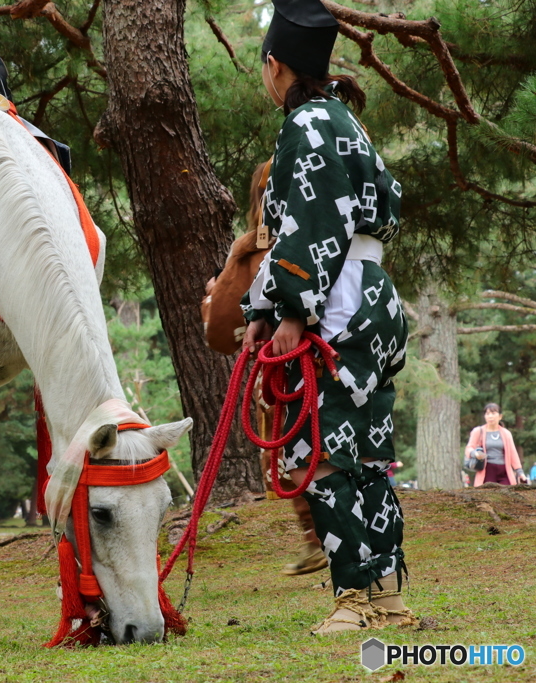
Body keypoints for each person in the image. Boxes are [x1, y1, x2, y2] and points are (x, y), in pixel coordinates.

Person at [241, 0, 413, 634]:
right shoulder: (342, 119)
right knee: (367, 454)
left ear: (274, 65)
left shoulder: (307, 124)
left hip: (337, 303)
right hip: (372, 296)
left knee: (323, 455)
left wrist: (288, 311)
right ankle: (389, 596)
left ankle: (354, 601)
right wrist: (264, 304)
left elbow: (312, 228)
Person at [202, 161, 326, 579]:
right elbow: (226, 322)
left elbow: (219, 325)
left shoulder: (253, 250)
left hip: (299, 364)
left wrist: (216, 298)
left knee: (300, 454)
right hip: (308, 362)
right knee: (306, 452)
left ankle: (324, 539)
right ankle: (321, 539)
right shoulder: (331, 234)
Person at [465, 403, 524, 486]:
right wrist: (475, 453)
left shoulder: (506, 433)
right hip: (487, 470)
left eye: (493, 413)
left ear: (500, 416)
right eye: (487, 414)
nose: (490, 416)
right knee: (488, 496)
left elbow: (513, 453)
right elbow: (469, 448)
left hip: (504, 470)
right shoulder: (478, 431)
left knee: (507, 495)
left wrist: (519, 472)